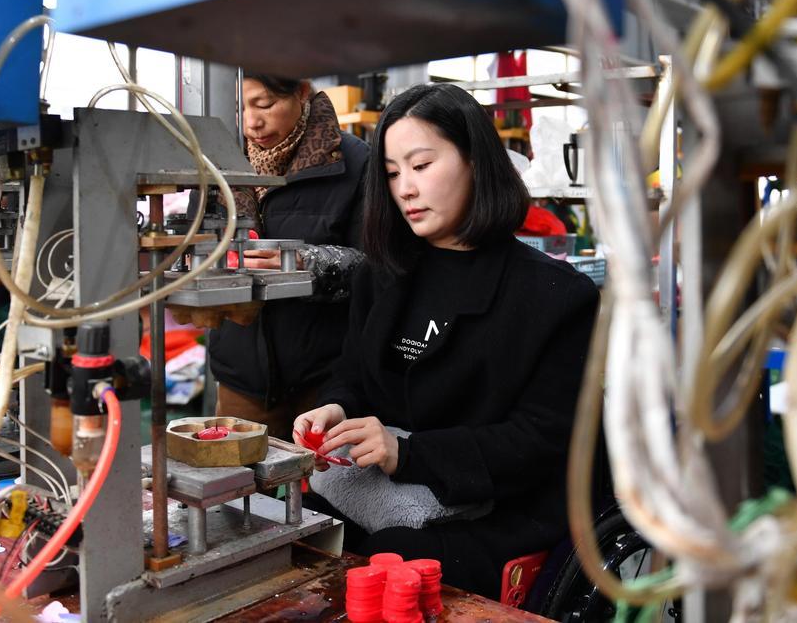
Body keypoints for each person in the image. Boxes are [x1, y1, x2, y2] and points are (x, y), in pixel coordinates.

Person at [293, 83, 600, 598]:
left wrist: (407, 452)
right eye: (392, 173)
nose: (405, 189)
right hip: (397, 488)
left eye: (421, 165)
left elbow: (544, 439)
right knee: (299, 531)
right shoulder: (383, 273)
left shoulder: (554, 295)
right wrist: (333, 411)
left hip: (505, 504)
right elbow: (354, 374)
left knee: (392, 563)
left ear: (476, 161)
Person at [208, 74, 367, 439]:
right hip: (241, 377)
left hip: (325, 381)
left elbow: (377, 266)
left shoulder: (355, 163)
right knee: (235, 488)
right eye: (239, 107)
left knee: (322, 490)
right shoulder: (218, 162)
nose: (252, 122)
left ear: (302, 92)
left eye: (265, 104)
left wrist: (305, 262)